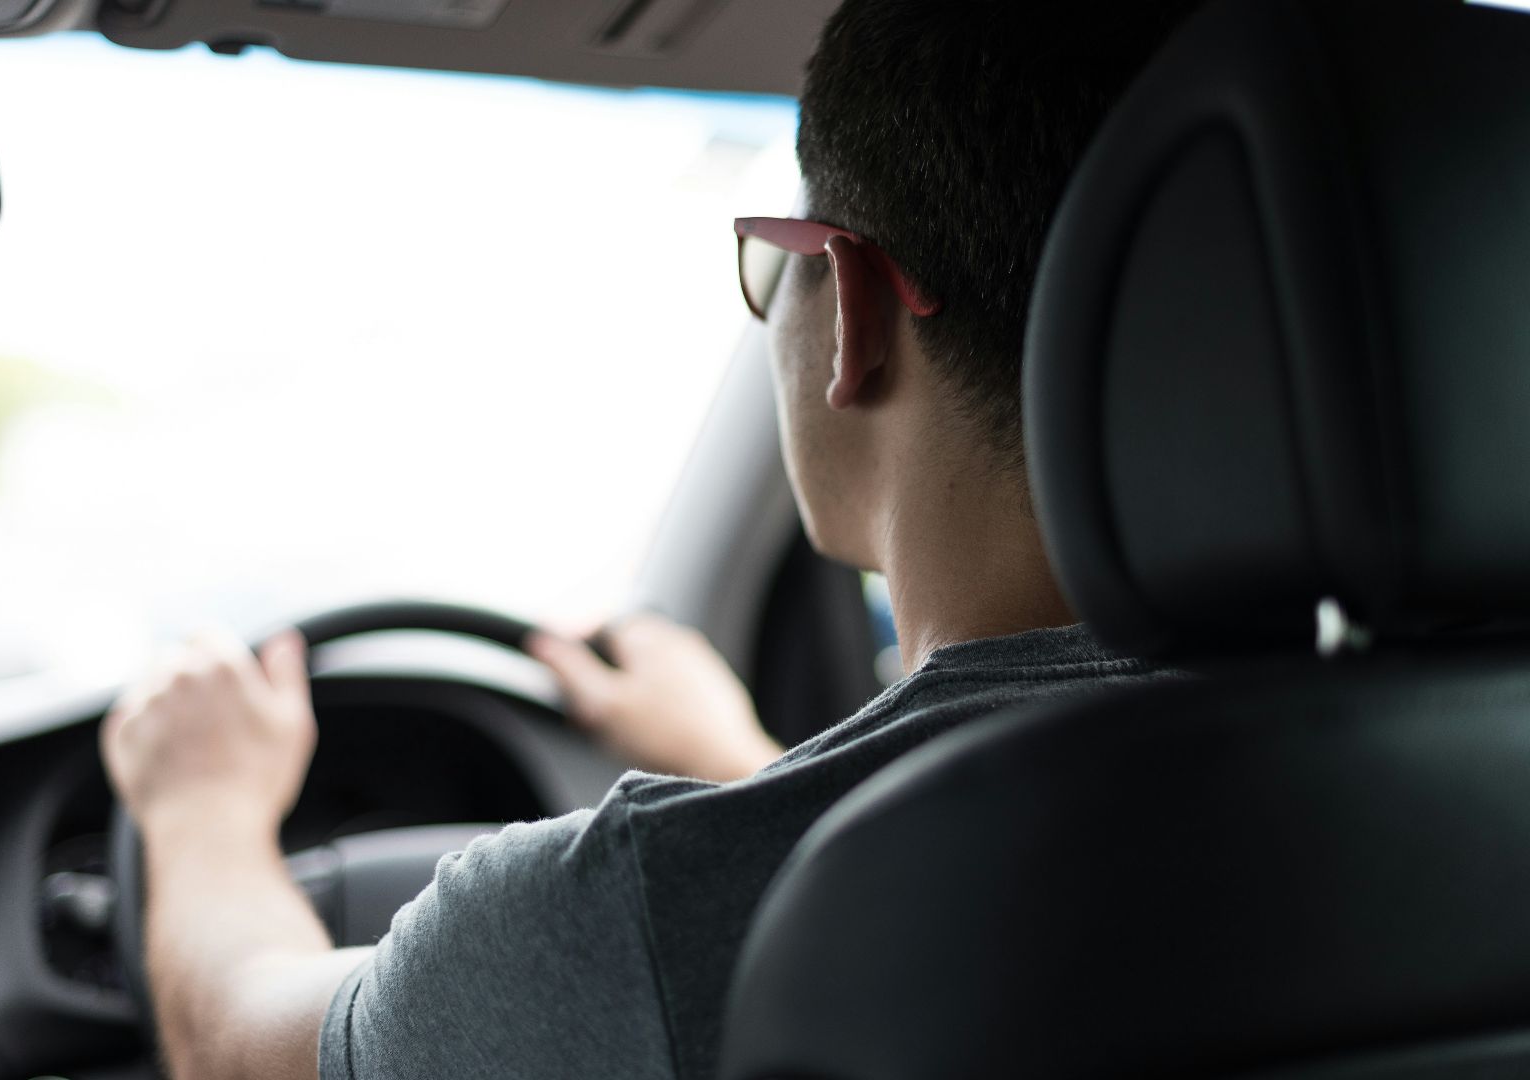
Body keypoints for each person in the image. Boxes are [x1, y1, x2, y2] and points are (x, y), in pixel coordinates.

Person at [98, 2, 1201, 1077]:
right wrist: (740, 764)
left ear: (852, 312)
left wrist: (202, 809)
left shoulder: (643, 907)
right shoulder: (1342, 762)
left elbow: (236, 1046)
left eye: (776, 261)